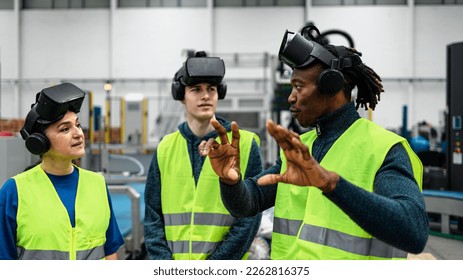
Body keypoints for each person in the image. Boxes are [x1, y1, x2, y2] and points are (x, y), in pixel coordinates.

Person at [199, 26, 429, 260]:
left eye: (299, 87)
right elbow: (249, 203)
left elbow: (414, 232)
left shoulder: (384, 149)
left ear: (331, 86)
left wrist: (333, 185)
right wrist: (231, 181)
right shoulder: (301, 147)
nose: (291, 97)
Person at [144, 51, 263, 260]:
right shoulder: (165, 148)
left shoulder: (245, 144)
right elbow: (153, 217)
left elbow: (248, 219)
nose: (205, 96)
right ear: (181, 95)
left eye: (211, 89)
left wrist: (213, 267)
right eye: (196, 89)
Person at [0, 83, 124, 260]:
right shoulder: (15, 191)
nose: (78, 134)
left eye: (78, 125)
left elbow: (110, 251)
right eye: (65, 129)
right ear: (39, 141)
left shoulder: (97, 184)